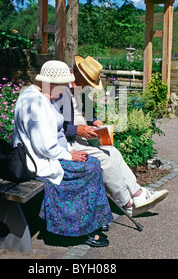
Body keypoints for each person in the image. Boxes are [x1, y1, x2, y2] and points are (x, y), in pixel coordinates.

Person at [13, 60, 113, 247]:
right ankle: (74, 229)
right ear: (52, 83)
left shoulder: (40, 97)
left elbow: (54, 136)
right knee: (90, 168)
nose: (64, 91)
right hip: (38, 161)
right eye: (63, 86)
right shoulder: (36, 103)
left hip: (47, 155)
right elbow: (44, 146)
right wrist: (69, 155)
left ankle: (90, 223)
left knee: (91, 163)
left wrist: (69, 150)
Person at [54, 55, 169, 217]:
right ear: (75, 73)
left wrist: (95, 122)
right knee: (105, 160)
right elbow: (55, 125)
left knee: (113, 151)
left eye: (89, 83)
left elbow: (89, 115)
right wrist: (77, 130)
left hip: (85, 136)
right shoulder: (59, 91)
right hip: (69, 142)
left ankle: (138, 194)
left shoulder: (83, 91)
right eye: (84, 82)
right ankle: (127, 204)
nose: (86, 86)